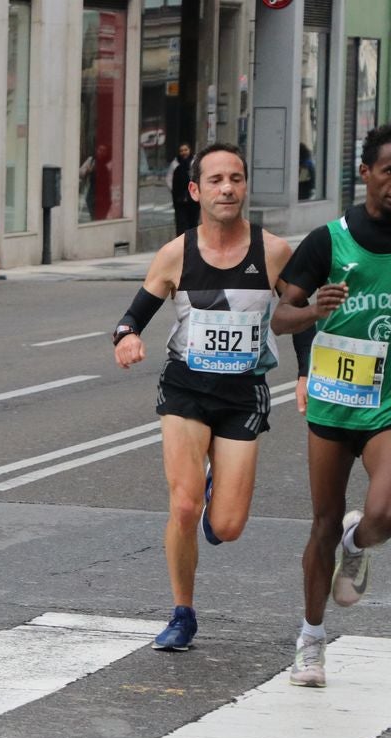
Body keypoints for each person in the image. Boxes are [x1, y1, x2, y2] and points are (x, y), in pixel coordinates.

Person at [112, 143, 305, 652]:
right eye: (216, 179)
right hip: (186, 388)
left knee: (227, 525)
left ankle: (216, 489)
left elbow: (300, 313)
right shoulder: (177, 253)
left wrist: (307, 373)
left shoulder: (276, 252)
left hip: (244, 393)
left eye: (236, 178)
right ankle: (182, 613)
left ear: (245, 187)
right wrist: (127, 336)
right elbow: (133, 316)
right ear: (196, 190)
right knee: (182, 504)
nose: (228, 188)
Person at [272, 124, 391, 688]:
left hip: (386, 405)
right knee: (321, 521)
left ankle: (358, 540)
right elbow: (279, 318)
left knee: (385, 511)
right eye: (389, 171)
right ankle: (311, 641)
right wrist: (316, 312)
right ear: (365, 173)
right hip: (334, 401)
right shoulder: (328, 240)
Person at [166, 142, 199, 236]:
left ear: (190, 150)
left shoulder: (195, 162)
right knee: (181, 223)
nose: (184, 152)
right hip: (179, 200)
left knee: (193, 222)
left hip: (193, 200)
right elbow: (169, 179)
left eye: (186, 150)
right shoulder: (175, 163)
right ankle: (181, 245)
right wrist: (175, 191)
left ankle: (192, 244)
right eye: (181, 150)